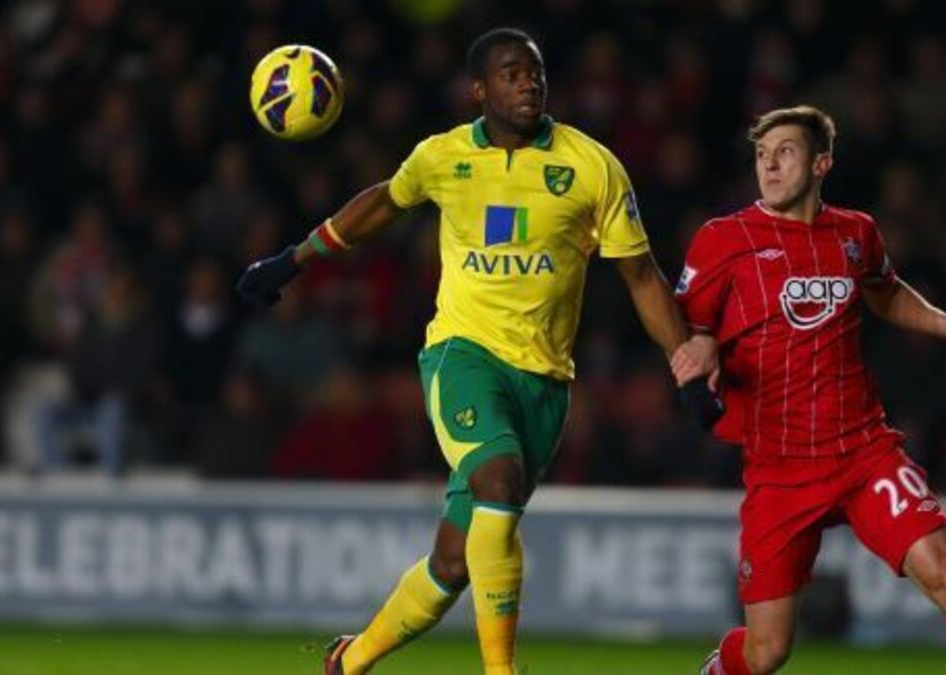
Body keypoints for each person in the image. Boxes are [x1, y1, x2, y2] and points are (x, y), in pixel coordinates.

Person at [236, 27, 716, 675]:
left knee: (455, 561)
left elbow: (640, 275)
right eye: (511, 74)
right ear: (479, 90)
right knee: (498, 478)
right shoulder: (444, 157)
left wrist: (686, 365)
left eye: (535, 72)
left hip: (544, 380)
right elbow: (384, 203)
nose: (528, 84)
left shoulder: (591, 166)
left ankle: (350, 660)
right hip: (462, 356)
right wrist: (292, 261)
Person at [670, 106, 946, 675]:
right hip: (779, 467)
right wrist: (703, 344)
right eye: (761, 155)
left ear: (821, 164)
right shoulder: (723, 240)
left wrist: (942, 321)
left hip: (863, 452)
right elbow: (686, 328)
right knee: (767, 651)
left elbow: (884, 290)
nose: (769, 165)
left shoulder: (856, 232)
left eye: (785, 152)